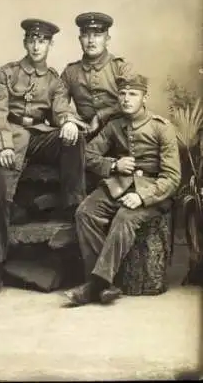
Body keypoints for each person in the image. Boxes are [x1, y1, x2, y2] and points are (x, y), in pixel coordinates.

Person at [0, 18, 87, 296]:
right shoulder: (6, 73)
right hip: (10, 135)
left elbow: (61, 107)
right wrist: (3, 146)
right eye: (32, 40)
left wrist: (67, 121)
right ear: (25, 42)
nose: (36, 45)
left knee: (74, 137)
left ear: (50, 44)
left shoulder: (54, 80)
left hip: (40, 136)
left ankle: (71, 204)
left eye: (42, 40)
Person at [64, 73, 181, 307]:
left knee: (124, 218)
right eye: (123, 94)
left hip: (154, 193)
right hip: (119, 185)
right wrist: (113, 165)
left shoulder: (161, 128)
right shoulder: (115, 126)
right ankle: (107, 284)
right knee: (85, 213)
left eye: (133, 94)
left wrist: (142, 196)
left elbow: (172, 177)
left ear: (144, 97)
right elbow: (88, 155)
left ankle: (95, 285)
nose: (126, 99)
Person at [61, 12, 132, 141]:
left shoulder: (120, 67)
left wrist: (100, 115)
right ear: (80, 39)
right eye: (86, 35)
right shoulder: (70, 72)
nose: (91, 41)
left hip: (122, 132)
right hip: (86, 132)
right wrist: (69, 121)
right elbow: (59, 103)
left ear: (107, 39)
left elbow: (133, 101)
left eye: (97, 35)